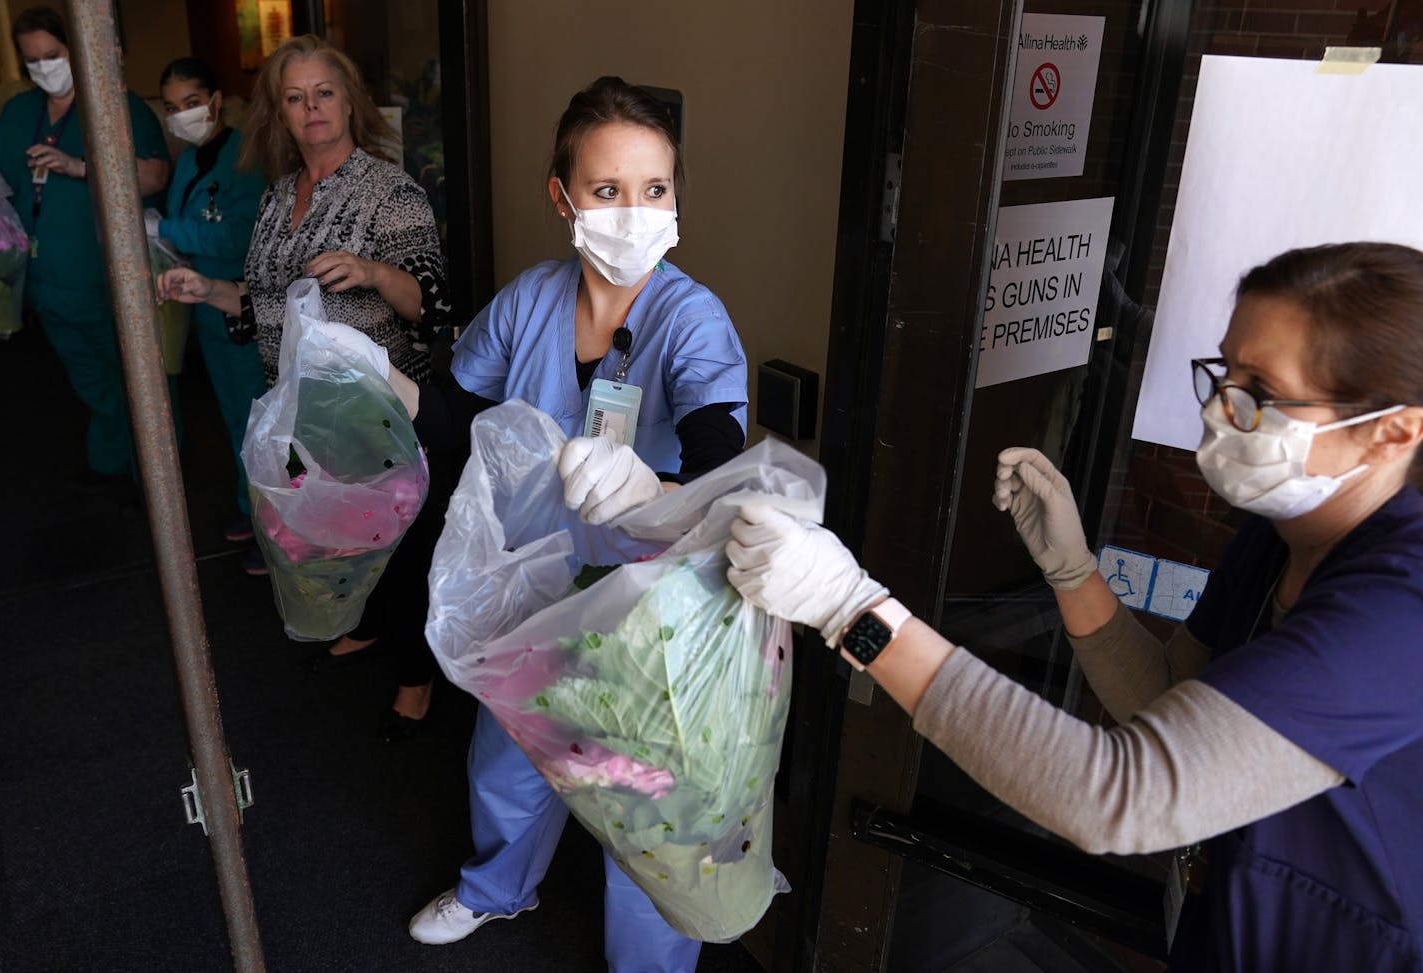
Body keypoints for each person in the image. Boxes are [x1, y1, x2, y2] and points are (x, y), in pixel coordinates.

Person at [724, 241, 1423, 971]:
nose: (1221, 410)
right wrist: (1072, 570)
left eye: (1260, 389)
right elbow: (1161, 697)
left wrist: (853, 610)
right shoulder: (1275, 542)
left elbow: (1120, 793)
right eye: (1223, 372)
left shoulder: (1400, 611)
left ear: (1393, 430)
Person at [399, 77, 748, 972]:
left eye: (654, 190)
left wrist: (651, 485)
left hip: (652, 606)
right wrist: (387, 388)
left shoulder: (689, 319)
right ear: (563, 199)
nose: (633, 213)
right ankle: (497, 889)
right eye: (606, 192)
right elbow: (457, 414)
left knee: (644, 807)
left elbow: (717, 453)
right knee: (511, 757)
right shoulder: (529, 303)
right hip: (543, 584)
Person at [156, 35, 452, 740]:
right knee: (343, 537)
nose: (311, 107)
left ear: (348, 100)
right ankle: (373, 627)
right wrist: (209, 290)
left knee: (402, 544)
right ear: (279, 114)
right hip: (306, 414)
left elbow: (432, 302)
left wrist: (376, 272)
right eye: (295, 97)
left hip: (379, 412)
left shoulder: (389, 190)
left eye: (324, 92)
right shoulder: (280, 196)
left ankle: (417, 679)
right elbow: (264, 303)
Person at [0, 5, 170, 483]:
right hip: (43, 282)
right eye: (31, 61)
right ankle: (117, 458)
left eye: (51, 55)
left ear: (77, 48)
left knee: (135, 380)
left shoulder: (116, 105)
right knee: (90, 379)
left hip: (103, 279)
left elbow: (155, 175)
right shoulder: (19, 113)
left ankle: (150, 476)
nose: (43, 69)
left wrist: (80, 166)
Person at [153, 56, 267, 545]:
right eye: (173, 107)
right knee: (233, 419)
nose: (182, 115)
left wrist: (167, 229)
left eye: (193, 103)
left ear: (218, 102)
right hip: (206, 311)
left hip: (241, 310)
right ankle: (252, 508)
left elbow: (241, 238)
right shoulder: (188, 160)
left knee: (257, 422)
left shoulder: (246, 158)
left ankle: (273, 531)